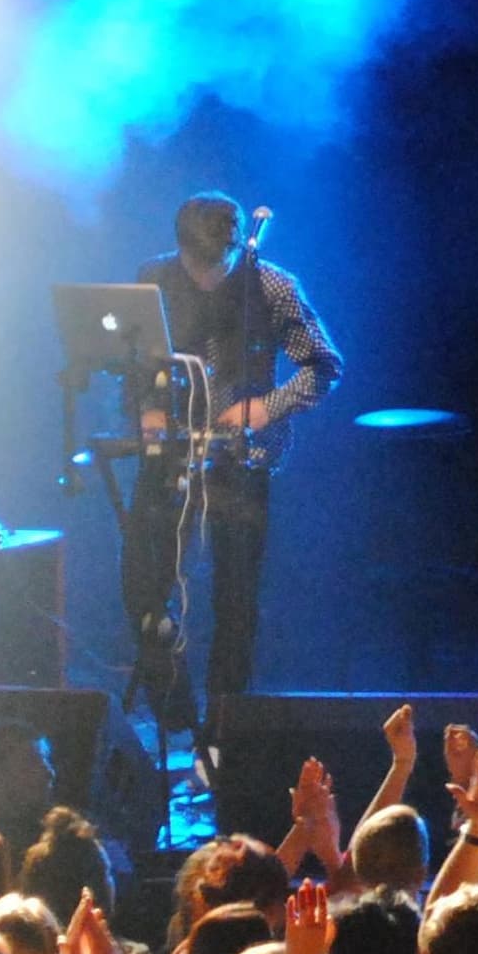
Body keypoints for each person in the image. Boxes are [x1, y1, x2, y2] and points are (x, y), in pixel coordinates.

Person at [115, 190, 345, 746]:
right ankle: (173, 714)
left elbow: (325, 366)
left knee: (235, 595)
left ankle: (225, 724)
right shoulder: (155, 278)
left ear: (235, 249)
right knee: (143, 580)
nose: (203, 279)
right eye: (193, 267)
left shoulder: (270, 285)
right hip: (171, 450)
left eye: (213, 268)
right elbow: (133, 364)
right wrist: (145, 407)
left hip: (243, 456)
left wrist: (267, 407)